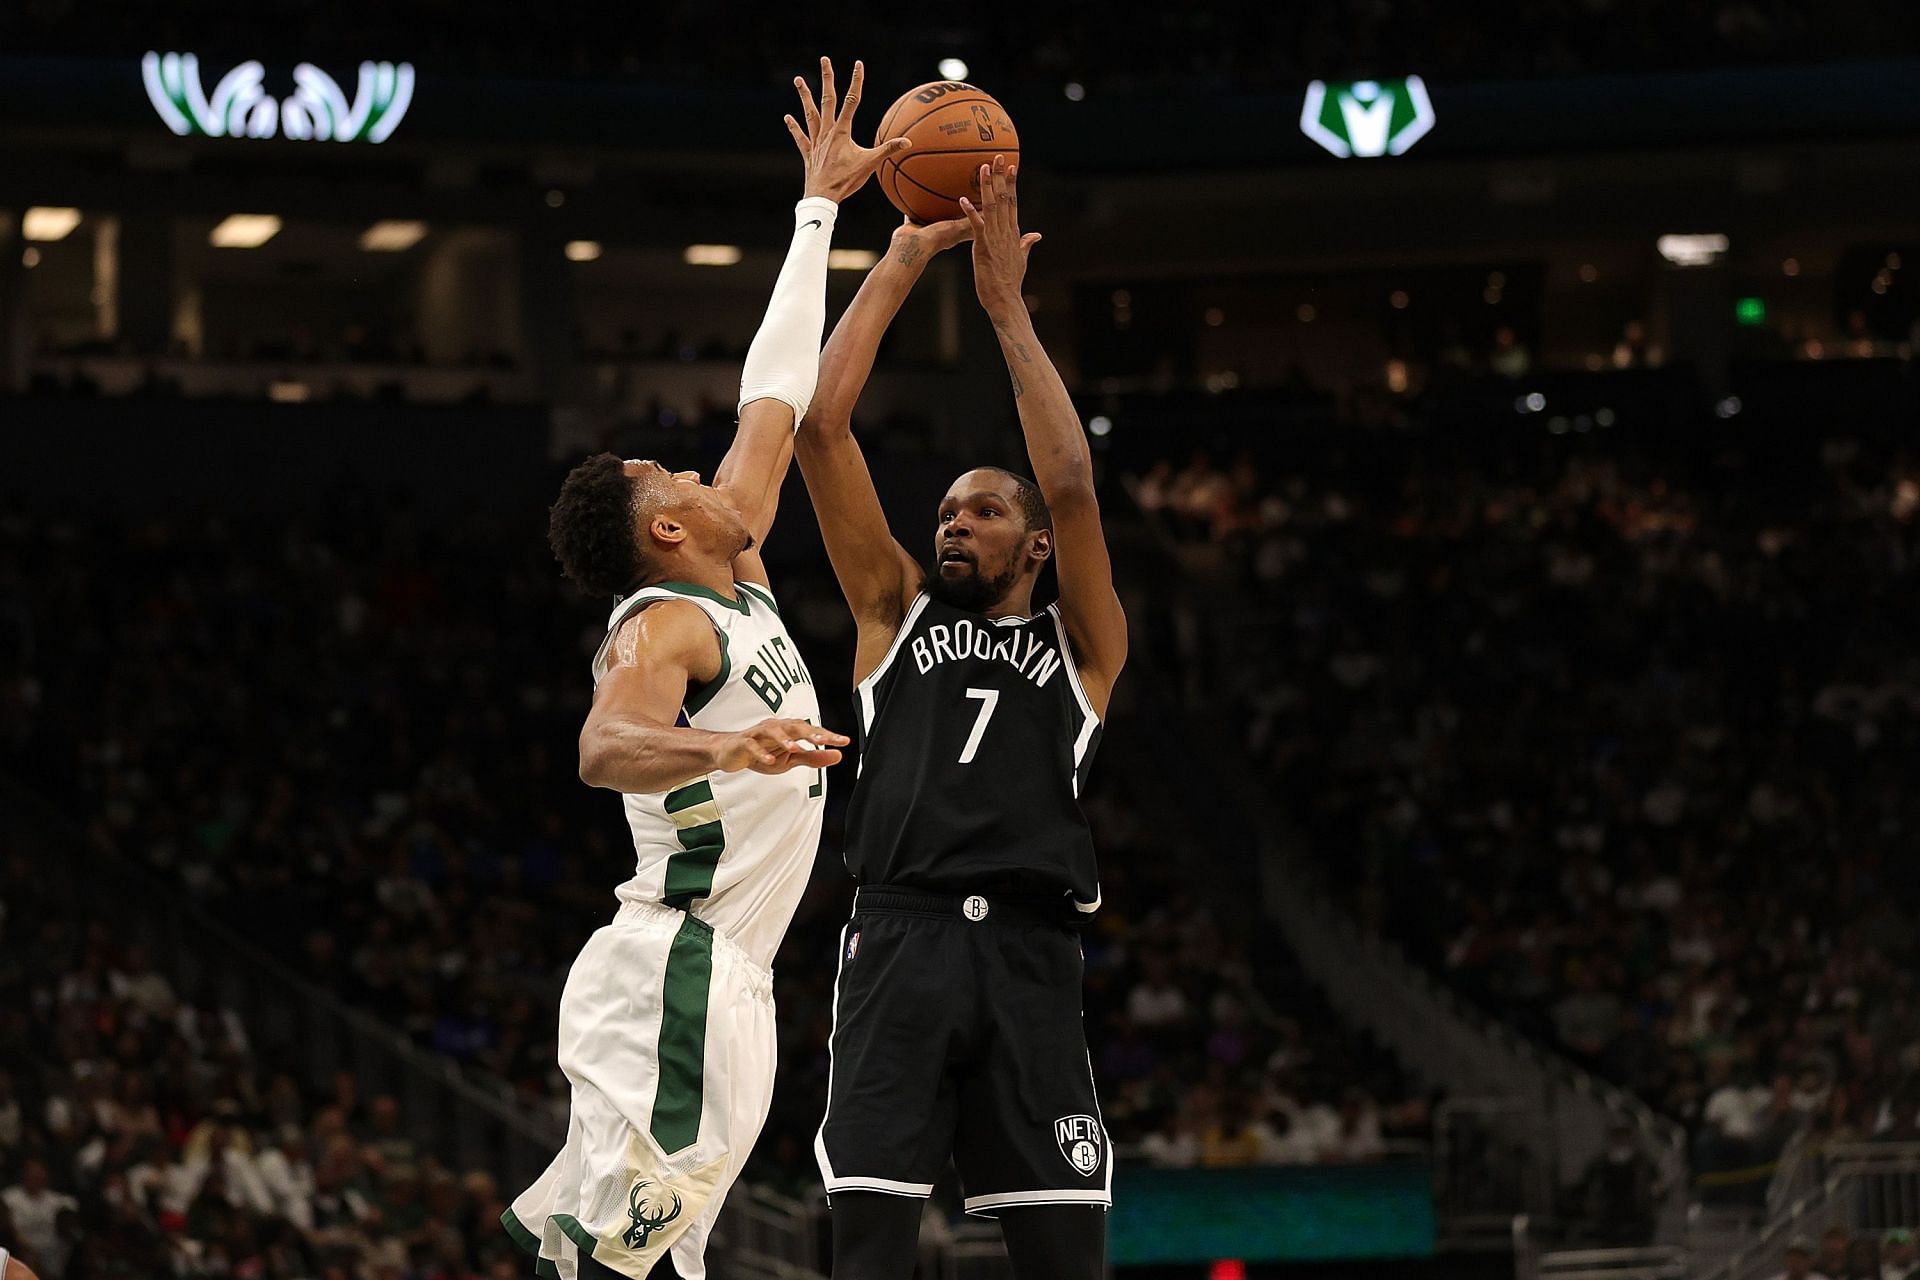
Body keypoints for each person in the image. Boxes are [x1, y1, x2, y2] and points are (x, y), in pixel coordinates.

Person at [501, 57, 907, 1280]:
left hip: (724, 973)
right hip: (674, 961)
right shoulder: (659, 622)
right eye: (669, 477)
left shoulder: (739, 577)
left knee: (629, 1261)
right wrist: (726, 742)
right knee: (621, 1257)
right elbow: (602, 746)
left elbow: (773, 394)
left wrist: (827, 214)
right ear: (665, 530)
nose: (696, 468)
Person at [796, 154, 1130, 1280]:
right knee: (873, 1251)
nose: (953, 522)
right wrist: (896, 258)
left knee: (1066, 1258)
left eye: (983, 510)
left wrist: (1003, 307)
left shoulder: (1082, 649)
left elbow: (1074, 482)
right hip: (900, 938)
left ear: (1034, 544)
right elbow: (821, 428)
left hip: (1033, 956)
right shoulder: (893, 613)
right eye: (945, 508)